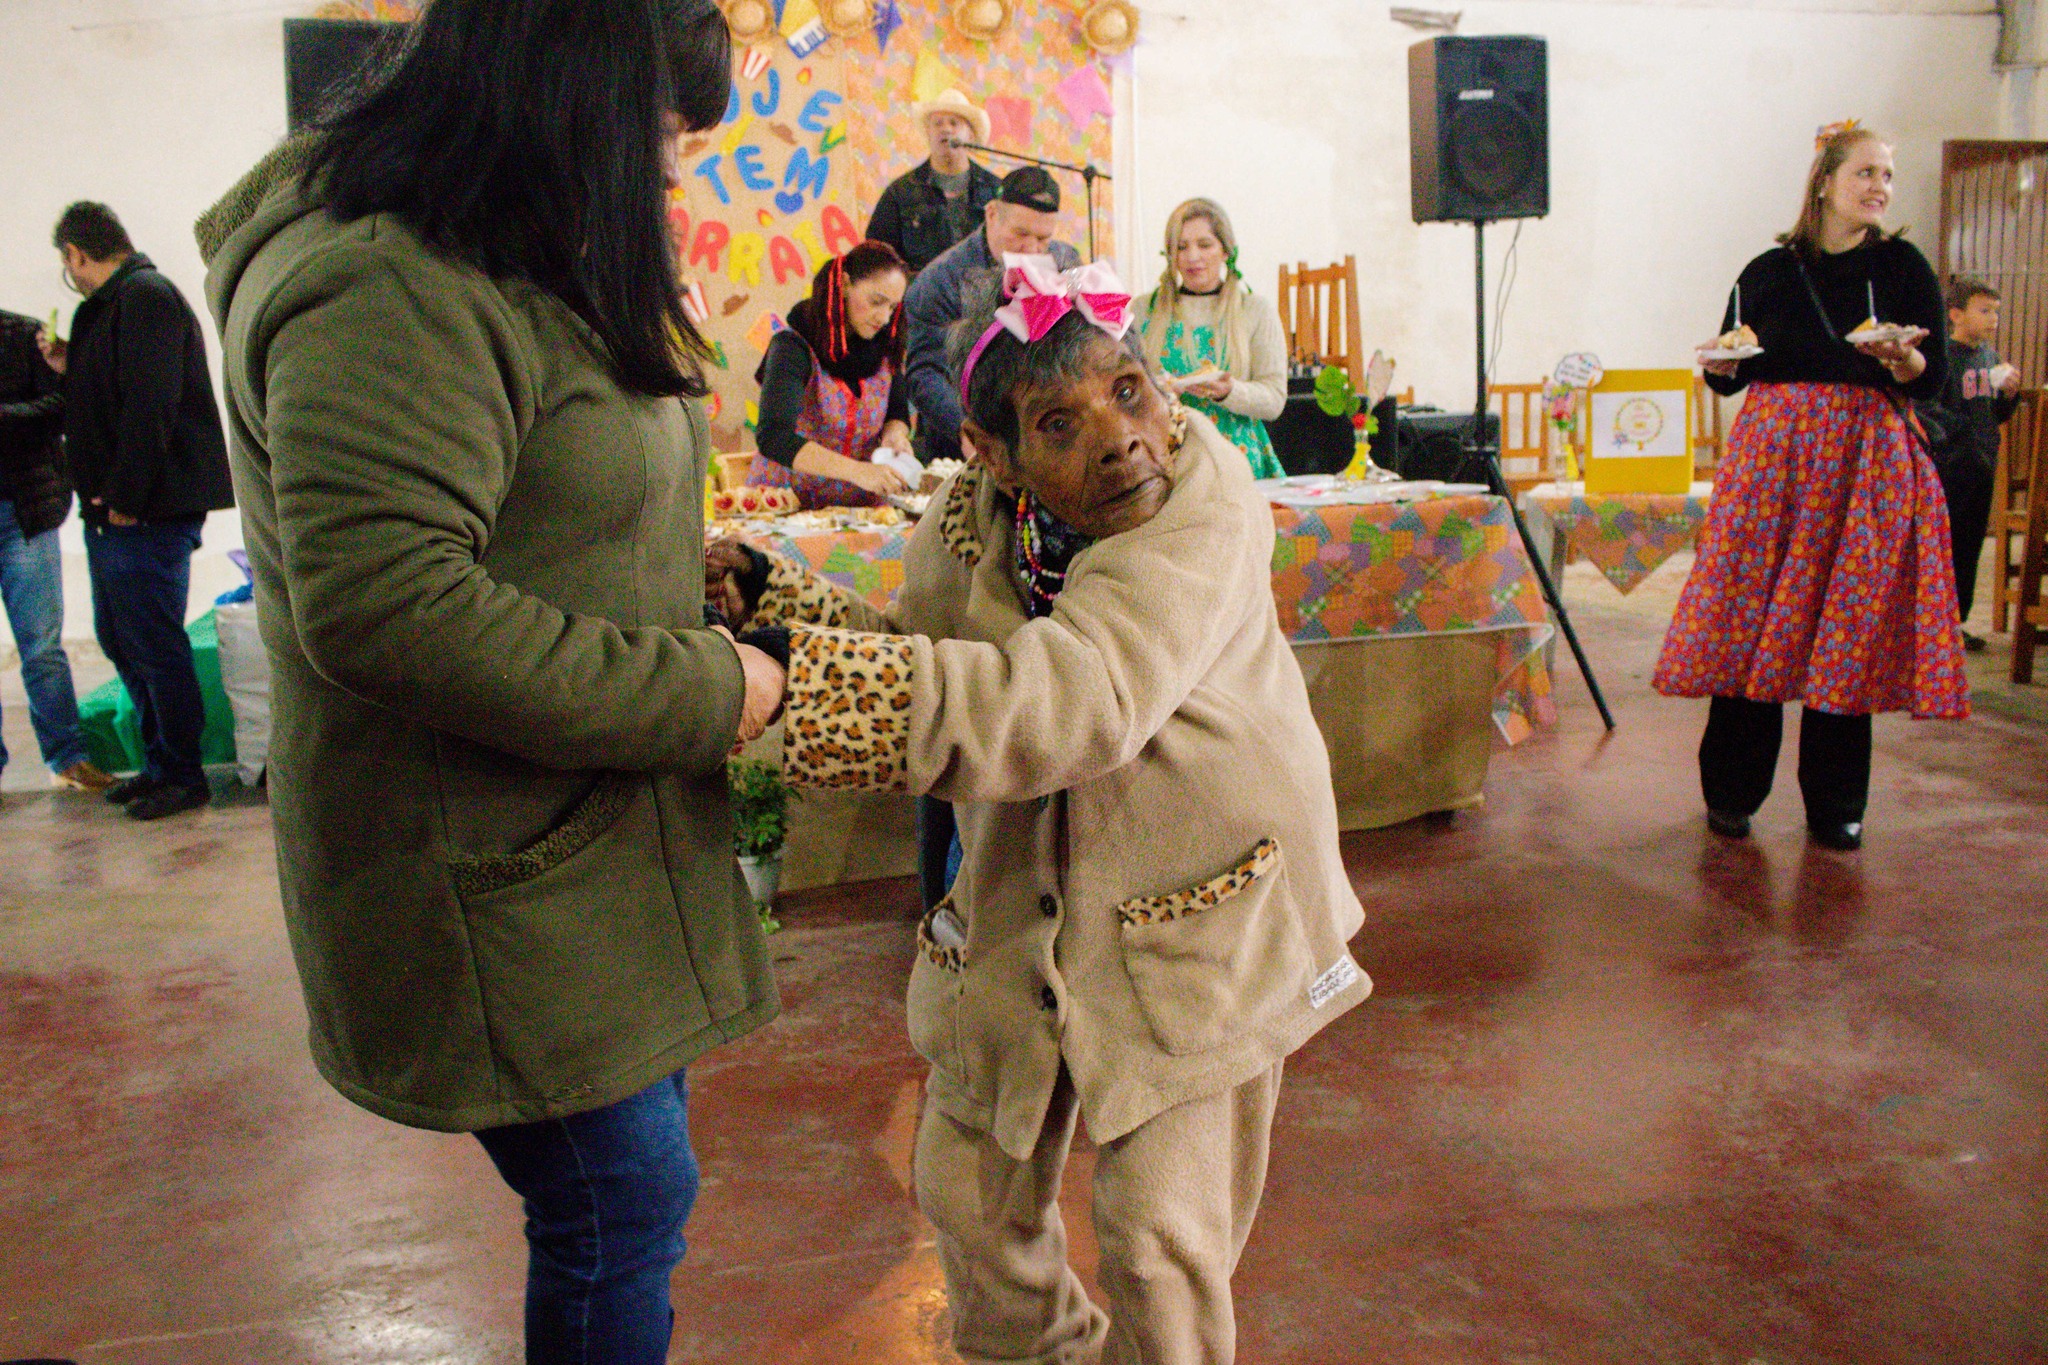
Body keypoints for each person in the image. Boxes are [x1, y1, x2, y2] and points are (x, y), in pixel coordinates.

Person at [195, 2, 787, 1360]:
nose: (668, 175)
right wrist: (710, 691)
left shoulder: (496, 238)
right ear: (555, 94)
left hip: (576, 838)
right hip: (489, 856)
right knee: (616, 1199)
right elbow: (392, 605)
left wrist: (663, 553)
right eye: (657, 137)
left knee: (631, 1187)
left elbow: (531, 473)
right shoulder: (385, 282)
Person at [709, 256, 1372, 1365]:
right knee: (965, 1188)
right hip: (1028, 890)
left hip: (1199, 911)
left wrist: (795, 685)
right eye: (1060, 424)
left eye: (1129, 391)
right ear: (991, 454)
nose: (1121, 439)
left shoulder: (1202, 507)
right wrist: (779, 606)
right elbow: (932, 656)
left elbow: (1074, 702)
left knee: (1158, 1240)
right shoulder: (969, 523)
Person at [1656, 122, 1965, 853]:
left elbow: (1935, 379)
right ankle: (1732, 793)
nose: (1880, 187)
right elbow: (1728, 365)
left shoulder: (1902, 267)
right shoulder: (1768, 270)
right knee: (1751, 619)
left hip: (1865, 462)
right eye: (1866, 173)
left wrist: (1904, 363)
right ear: (1824, 182)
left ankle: (1836, 805)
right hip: (1772, 464)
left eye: (1887, 175)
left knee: (1845, 631)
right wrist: (1721, 367)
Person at [44, 203, 233, 820]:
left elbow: (152, 405)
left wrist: (126, 497)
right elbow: (110, 395)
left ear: (75, 253)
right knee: (121, 640)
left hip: (145, 512)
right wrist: (69, 366)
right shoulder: (108, 308)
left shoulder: (146, 296)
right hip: (113, 514)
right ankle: (157, 765)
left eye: (67, 263)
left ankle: (184, 775)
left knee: (155, 645)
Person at [0, 307, 110, 798]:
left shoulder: (25, 335)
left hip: (25, 513)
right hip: (25, 511)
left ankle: (67, 758)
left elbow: (62, 405)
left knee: (41, 648)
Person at [903, 165, 1080, 469]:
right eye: (1020, 233)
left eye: (1043, 239)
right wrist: (965, 427)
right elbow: (925, 373)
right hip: (963, 442)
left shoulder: (1065, 261)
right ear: (992, 214)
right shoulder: (940, 281)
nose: (1031, 249)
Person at [746, 240, 913, 507]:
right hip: (786, 505)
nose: (883, 318)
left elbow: (897, 413)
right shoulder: (794, 345)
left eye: (892, 307)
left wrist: (895, 435)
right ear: (844, 284)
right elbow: (774, 436)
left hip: (862, 512)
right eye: (876, 302)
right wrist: (857, 471)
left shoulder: (885, 346)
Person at [1135, 198, 1288, 478]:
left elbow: (1274, 401)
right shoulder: (1144, 310)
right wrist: (1157, 391)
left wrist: (1230, 392)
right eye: (1181, 247)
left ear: (1226, 250)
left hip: (1238, 464)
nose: (1192, 257)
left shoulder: (1255, 310)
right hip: (1168, 461)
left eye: (1204, 245)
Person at [1918, 276, 2020, 652]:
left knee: (1970, 544)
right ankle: (1930, 623)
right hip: (1949, 465)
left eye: (1996, 311)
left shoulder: (1989, 359)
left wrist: (2008, 396)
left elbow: (1995, 414)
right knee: (1941, 544)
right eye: (1984, 310)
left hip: (1982, 463)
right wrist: (1961, 432)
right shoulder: (1941, 357)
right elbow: (1926, 408)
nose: (1993, 318)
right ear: (1956, 314)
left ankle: (1956, 622)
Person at [865, 88, 1002, 276]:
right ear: (928, 133)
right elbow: (876, 259)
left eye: (954, 123)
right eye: (937, 123)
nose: (945, 129)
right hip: (921, 292)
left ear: (971, 135)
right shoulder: (900, 193)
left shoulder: (996, 190)